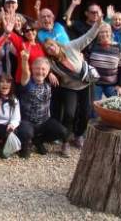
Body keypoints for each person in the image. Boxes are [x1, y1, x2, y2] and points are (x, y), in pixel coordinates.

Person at [43, 15, 102, 150]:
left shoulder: (71, 47)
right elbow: (41, 67)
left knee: (86, 113)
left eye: (51, 45)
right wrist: (50, 73)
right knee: (69, 113)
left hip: (85, 84)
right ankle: (65, 141)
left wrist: (97, 25)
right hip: (68, 88)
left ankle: (79, 135)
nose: (51, 48)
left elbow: (87, 37)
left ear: (56, 43)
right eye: (47, 48)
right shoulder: (51, 62)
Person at [19, 54, 70, 157]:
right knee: (26, 139)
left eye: (43, 69)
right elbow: (25, 73)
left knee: (63, 132)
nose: (40, 72)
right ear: (32, 69)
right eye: (37, 68)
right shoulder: (27, 83)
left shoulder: (48, 84)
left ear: (48, 71)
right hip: (27, 121)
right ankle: (26, 143)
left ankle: (38, 141)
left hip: (44, 121)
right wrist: (24, 60)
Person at [0, 74, 30, 158]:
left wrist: (12, 125)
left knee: (18, 131)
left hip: (6, 126)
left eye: (8, 82)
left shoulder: (14, 100)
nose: (5, 84)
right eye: (2, 82)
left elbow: (16, 118)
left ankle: (16, 148)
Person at [88, 23, 121, 101]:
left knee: (118, 106)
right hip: (95, 83)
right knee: (94, 108)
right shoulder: (92, 46)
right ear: (98, 33)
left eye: (107, 31)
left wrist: (119, 86)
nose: (104, 34)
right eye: (101, 32)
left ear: (111, 33)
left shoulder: (118, 47)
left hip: (112, 84)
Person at [4, 15, 45, 85]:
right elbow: (10, 33)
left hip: (38, 80)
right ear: (24, 33)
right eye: (27, 31)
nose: (30, 32)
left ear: (36, 31)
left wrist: (50, 73)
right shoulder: (22, 44)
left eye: (32, 29)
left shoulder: (41, 45)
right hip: (23, 82)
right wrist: (7, 29)